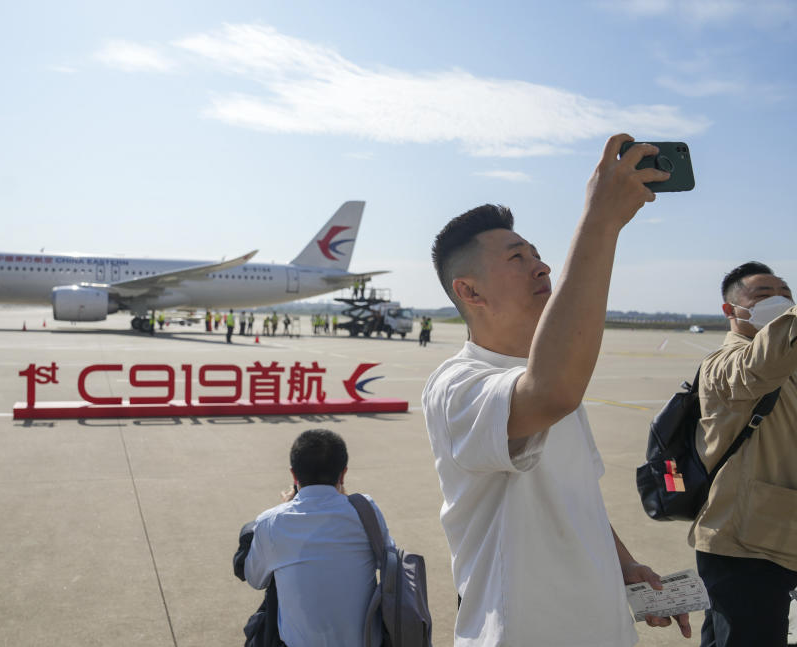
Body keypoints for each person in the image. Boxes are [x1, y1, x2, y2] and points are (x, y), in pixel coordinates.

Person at [422, 135, 690, 646]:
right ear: (469, 291)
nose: (541, 266)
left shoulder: (547, 375)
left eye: (539, 255)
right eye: (518, 258)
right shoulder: (457, 386)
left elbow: (576, 492)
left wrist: (625, 564)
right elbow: (550, 393)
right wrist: (600, 222)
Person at [690, 261, 797, 647]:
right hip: (746, 548)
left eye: (786, 294)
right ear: (731, 310)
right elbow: (760, 366)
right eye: (766, 295)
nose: (781, 302)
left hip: (779, 537)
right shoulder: (724, 366)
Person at [238, 429, 394, 647]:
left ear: (294, 475)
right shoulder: (366, 511)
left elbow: (255, 579)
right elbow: (388, 563)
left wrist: (284, 507)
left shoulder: (271, 521)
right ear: (343, 474)